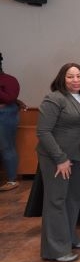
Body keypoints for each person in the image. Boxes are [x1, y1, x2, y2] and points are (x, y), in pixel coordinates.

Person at [37, 63, 80, 262]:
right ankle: (55, 250)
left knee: (72, 199)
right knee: (56, 201)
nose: (76, 80)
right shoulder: (54, 98)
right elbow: (43, 132)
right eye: (70, 76)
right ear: (62, 78)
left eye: (79, 76)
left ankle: (69, 238)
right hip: (57, 159)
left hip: (76, 157)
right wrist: (60, 159)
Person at [0, 52, 27, 191]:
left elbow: (9, 98)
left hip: (4, 115)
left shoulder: (9, 80)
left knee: (6, 146)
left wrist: (16, 102)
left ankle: (11, 180)